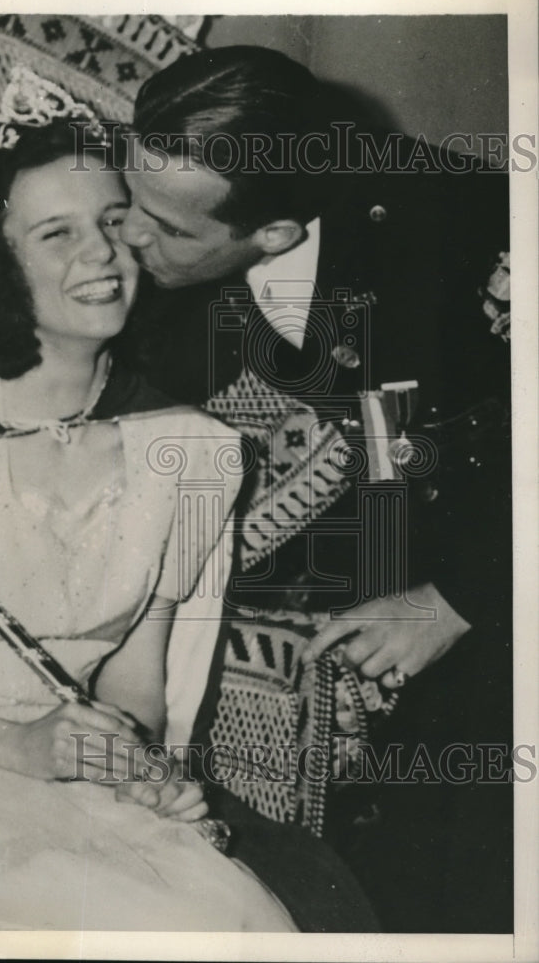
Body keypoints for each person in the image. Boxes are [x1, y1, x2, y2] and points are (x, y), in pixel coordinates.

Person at [0, 68, 377, 932]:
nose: (103, 256)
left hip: (80, 790)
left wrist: (131, 762)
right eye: (56, 234)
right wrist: (16, 746)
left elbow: (135, 679)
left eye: (116, 223)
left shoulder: (189, 452)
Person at [117, 46, 512, 931]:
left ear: (278, 236)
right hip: (346, 559)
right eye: (131, 197)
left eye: (170, 230)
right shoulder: (157, 237)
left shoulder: (478, 230)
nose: (130, 236)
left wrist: (460, 598)